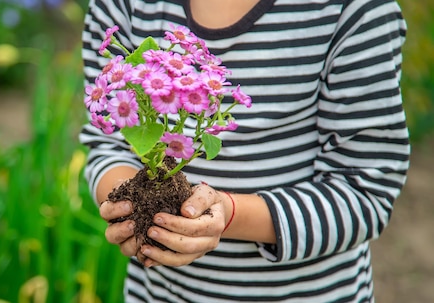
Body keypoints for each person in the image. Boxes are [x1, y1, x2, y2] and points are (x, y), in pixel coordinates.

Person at [79, 0, 410, 301]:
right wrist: (131, 209)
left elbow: (366, 190)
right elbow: (107, 142)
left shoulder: (353, 10)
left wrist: (228, 213)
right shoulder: (122, 5)